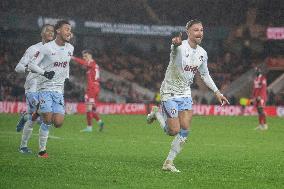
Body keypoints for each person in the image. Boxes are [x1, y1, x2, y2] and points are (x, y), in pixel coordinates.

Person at [146, 19, 229, 172]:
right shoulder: (179, 47)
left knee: (185, 129)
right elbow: (174, 50)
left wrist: (217, 92)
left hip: (185, 93)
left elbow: (205, 75)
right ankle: (157, 114)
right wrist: (175, 44)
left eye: (202, 30)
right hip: (169, 92)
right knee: (173, 131)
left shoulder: (202, 54)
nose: (200, 33)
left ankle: (168, 162)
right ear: (188, 32)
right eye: (196, 30)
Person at [28, 20, 74, 158]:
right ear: (58, 31)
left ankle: (38, 110)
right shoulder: (46, 48)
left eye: (70, 29)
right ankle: (42, 151)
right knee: (47, 119)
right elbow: (31, 65)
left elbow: (66, 64)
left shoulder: (70, 48)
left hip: (59, 90)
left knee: (58, 123)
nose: (69, 32)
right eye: (66, 29)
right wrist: (44, 73)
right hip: (45, 88)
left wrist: (67, 77)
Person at [15, 24, 54, 154]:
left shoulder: (57, 50)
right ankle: (23, 147)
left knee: (37, 117)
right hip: (33, 86)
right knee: (38, 117)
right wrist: (28, 68)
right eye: (47, 30)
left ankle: (25, 117)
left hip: (47, 88)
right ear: (41, 34)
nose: (50, 32)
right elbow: (18, 67)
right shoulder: (33, 49)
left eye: (52, 31)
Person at [71, 49, 104, 132]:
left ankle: (89, 127)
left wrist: (73, 58)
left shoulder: (92, 63)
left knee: (88, 108)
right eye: (83, 56)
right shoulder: (94, 65)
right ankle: (100, 122)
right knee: (91, 108)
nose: (84, 58)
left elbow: (83, 63)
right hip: (95, 87)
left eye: (85, 56)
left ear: (90, 55)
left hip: (92, 88)